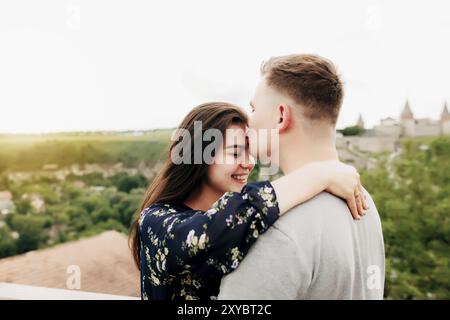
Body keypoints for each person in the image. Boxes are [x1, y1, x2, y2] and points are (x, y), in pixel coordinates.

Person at [130, 101, 367, 300]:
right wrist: (318, 174)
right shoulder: (155, 221)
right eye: (235, 152)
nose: (248, 162)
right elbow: (210, 236)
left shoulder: (241, 219)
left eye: (249, 151)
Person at [218, 54, 385, 300]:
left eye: (253, 109)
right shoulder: (364, 202)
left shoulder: (273, 226)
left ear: (281, 117)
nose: (248, 121)